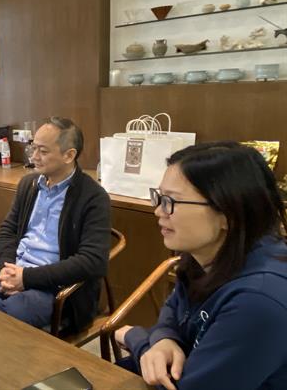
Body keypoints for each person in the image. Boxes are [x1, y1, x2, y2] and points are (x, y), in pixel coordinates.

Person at [114, 142, 287, 390]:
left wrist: (137, 339)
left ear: (228, 213)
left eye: (171, 201)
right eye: (159, 197)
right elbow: (174, 306)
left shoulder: (258, 301)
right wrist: (164, 338)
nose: (158, 211)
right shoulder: (209, 253)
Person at [0, 117, 111, 331]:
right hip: (13, 271)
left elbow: (93, 261)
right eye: (33, 148)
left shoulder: (93, 197)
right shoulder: (28, 184)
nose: (34, 157)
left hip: (54, 287)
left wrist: (26, 278)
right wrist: (5, 269)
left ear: (69, 155)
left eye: (43, 151)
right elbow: (8, 230)